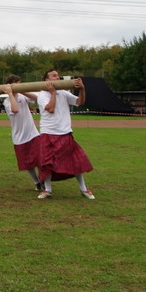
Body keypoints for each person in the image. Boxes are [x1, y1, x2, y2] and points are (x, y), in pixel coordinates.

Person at [36, 69, 95, 200]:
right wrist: (52, 93)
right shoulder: (42, 95)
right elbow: (50, 109)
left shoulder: (63, 92)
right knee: (46, 163)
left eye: (58, 76)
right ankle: (47, 190)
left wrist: (82, 89)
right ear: (47, 80)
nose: (58, 78)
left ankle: (84, 189)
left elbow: (80, 102)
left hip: (65, 132)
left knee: (76, 160)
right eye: (54, 76)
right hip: (48, 132)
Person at [2, 75, 43, 190]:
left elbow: (35, 98)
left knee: (40, 159)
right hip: (19, 137)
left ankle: (44, 180)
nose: (19, 85)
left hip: (33, 133)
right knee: (27, 163)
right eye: (17, 83)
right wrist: (10, 94)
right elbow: (15, 110)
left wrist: (23, 91)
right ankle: (37, 182)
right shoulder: (6, 101)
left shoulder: (22, 96)